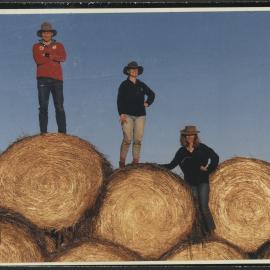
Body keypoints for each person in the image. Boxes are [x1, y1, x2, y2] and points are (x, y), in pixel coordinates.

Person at [160, 125, 219, 236]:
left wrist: (209, 169)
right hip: (190, 183)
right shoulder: (181, 151)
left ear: (195, 136)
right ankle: (201, 233)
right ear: (184, 137)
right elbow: (171, 165)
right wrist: (154, 166)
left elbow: (215, 157)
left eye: (192, 135)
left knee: (203, 207)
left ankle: (212, 233)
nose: (190, 137)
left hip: (202, 181)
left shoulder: (202, 148)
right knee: (195, 208)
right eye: (187, 135)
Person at [117, 61, 155, 168]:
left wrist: (148, 103)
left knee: (138, 139)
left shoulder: (141, 84)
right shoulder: (124, 85)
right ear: (128, 71)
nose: (135, 71)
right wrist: (121, 113)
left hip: (140, 115)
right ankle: (122, 162)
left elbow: (152, 94)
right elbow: (119, 100)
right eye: (132, 69)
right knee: (128, 139)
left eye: (136, 69)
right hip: (127, 115)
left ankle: (135, 163)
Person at [33, 22, 67, 134]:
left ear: (52, 34)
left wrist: (47, 55)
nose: (46, 34)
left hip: (57, 79)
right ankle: (43, 134)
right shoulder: (36, 46)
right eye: (44, 32)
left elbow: (63, 57)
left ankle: (62, 133)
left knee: (59, 106)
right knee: (43, 106)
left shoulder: (60, 45)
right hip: (42, 79)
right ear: (41, 34)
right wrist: (53, 56)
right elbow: (38, 60)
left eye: (48, 32)